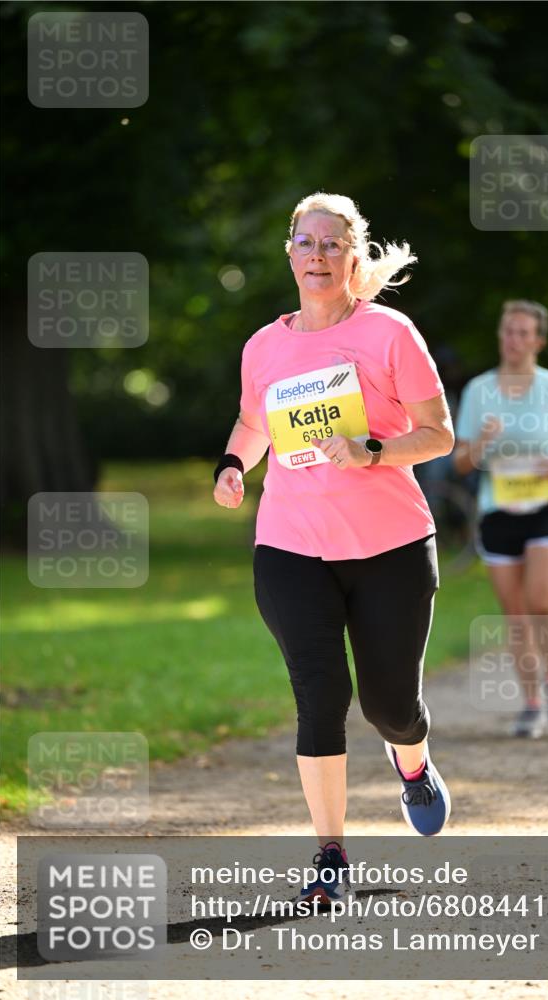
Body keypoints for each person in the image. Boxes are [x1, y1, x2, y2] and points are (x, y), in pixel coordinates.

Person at [212, 192, 455, 905]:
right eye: (306, 243)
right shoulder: (264, 345)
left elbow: (438, 434)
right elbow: (251, 424)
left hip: (391, 548)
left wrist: (372, 450)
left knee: (390, 706)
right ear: (289, 252)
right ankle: (329, 853)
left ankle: (411, 762)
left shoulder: (389, 333)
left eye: (332, 244)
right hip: (289, 548)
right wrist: (231, 467)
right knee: (320, 695)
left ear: (354, 255)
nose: (318, 256)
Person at [453, 300, 548, 739]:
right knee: (515, 614)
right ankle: (532, 704)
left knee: (539, 599)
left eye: (522, 332)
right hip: (500, 512)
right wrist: (482, 442)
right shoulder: (479, 390)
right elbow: (460, 462)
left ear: (538, 341)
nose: (512, 339)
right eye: (507, 331)